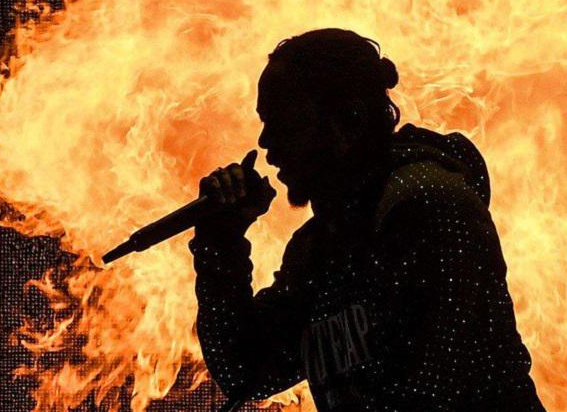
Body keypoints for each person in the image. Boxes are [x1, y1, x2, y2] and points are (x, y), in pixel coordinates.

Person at [189, 28, 544, 411]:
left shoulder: (430, 205)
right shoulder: (321, 247)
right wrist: (220, 242)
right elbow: (248, 371)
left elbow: (431, 390)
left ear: (349, 121)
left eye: (284, 122)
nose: (265, 142)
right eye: (264, 121)